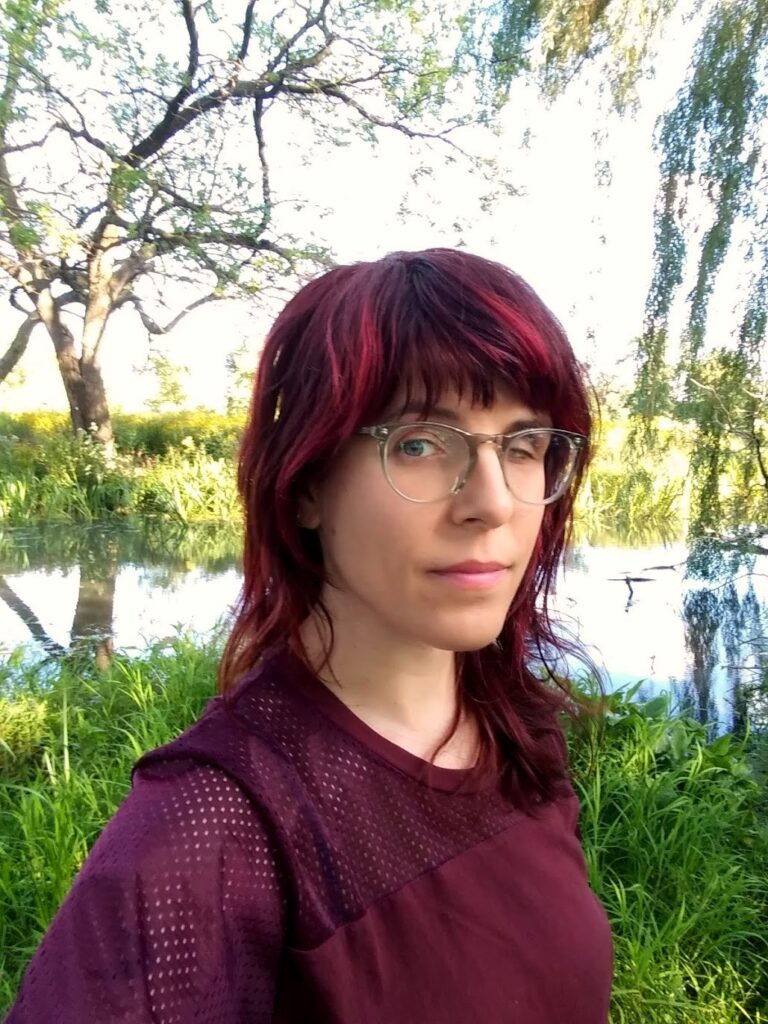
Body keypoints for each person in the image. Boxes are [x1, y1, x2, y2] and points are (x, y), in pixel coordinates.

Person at [4, 248, 613, 1023]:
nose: (492, 503)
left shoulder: (518, 731)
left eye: (524, 446)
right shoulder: (210, 836)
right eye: (420, 443)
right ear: (305, 486)